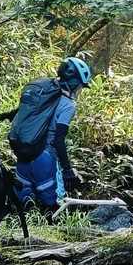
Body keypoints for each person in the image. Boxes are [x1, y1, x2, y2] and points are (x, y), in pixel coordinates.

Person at [11, 56, 91, 211]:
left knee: (23, 202)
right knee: (52, 206)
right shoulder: (68, 105)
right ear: (74, 83)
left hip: (23, 153)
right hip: (45, 159)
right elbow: (58, 140)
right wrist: (67, 169)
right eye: (80, 86)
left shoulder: (43, 94)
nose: (79, 90)